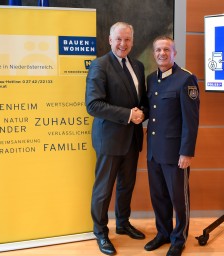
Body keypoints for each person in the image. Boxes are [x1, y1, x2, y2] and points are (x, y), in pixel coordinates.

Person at [85, 21, 148, 255]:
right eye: (119, 39)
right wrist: (129, 114)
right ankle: (101, 232)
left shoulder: (138, 66)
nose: (123, 44)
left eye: (128, 39)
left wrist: (142, 112)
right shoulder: (100, 66)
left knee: (126, 186)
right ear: (110, 40)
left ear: (132, 41)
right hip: (109, 140)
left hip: (132, 139)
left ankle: (122, 224)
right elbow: (93, 105)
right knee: (104, 189)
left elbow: (140, 100)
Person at [144, 36, 200, 256]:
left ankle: (179, 238)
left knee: (179, 198)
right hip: (154, 152)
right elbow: (153, 112)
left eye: (166, 49)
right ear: (154, 54)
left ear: (174, 53)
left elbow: (191, 120)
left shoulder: (186, 80)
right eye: (158, 50)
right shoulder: (151, 79)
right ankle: (163, 233)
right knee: (158, 196)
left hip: (176, 153)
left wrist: (186, 152)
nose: (162, 53)